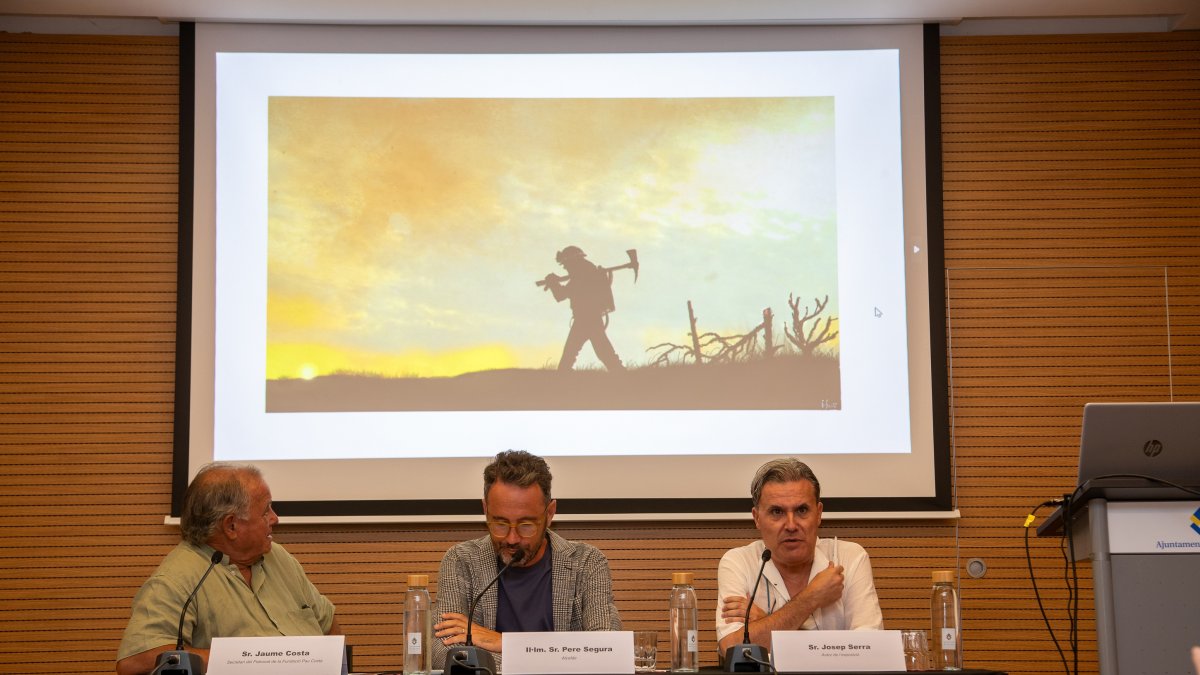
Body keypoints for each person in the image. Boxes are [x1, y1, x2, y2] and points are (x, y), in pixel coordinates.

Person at [116, 464, 339, 675]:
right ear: (231, 526)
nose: (275, 518)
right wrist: (238, 660)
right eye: (265, 511)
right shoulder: (176, 580)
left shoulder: (277, 556)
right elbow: (134, 662)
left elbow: (328, 625)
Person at [433, 450, 621, 669]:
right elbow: (446, 655)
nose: (512, 539)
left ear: (550, 513)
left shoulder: (587, 563)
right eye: (500, 523)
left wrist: (505, 643)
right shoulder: (461, 560)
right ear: (485, 510)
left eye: (526, 525)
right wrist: (560, 660)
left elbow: (607, 652)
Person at [716, 458, 882, 654]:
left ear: (819, 513)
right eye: (777, 512)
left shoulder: (850, 558)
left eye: (802, 510)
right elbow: (733, 650)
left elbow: (871, 649)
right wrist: (811, 597)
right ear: (757, 518)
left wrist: (767, 623)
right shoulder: (739, 562)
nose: (791, 525)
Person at [542, 245, 625, 371]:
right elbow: (568, 291)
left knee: (570, 358)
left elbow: (561, 295)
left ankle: (623, 378)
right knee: (605, 354)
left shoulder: (583, 273)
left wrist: (553, 283)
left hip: (586, 319)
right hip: (589, 319)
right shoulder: (585, 271)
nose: (565, 268)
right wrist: (555, 282)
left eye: (566, 264)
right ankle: (623, 376)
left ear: (573, 261)